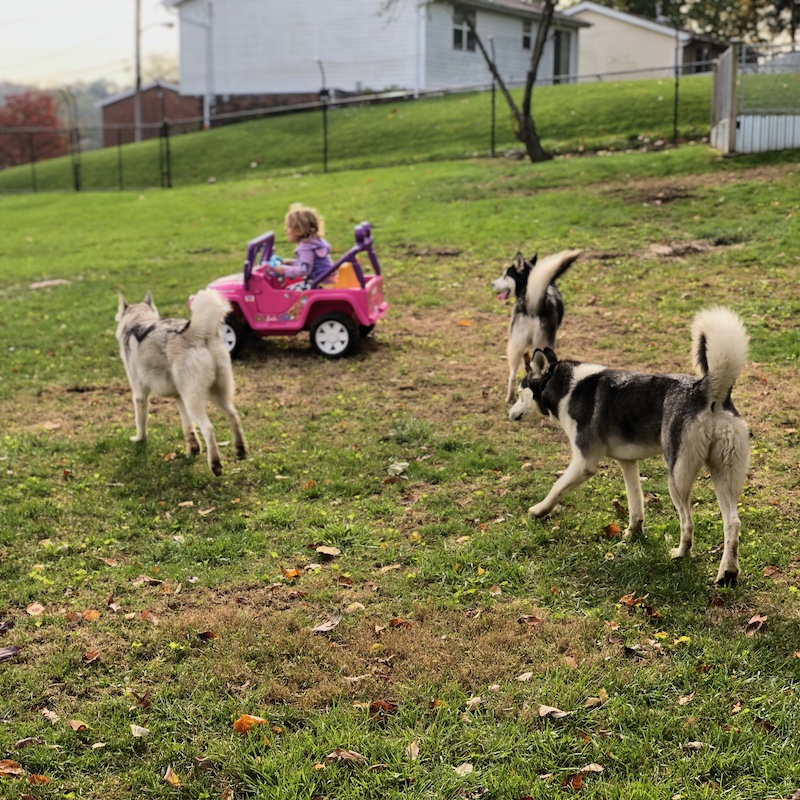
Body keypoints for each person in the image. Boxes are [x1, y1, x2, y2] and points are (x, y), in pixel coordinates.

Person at [271, 203, 335, 290]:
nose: (285, 229)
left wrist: (285, 270)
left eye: (288, 226)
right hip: (328, 281)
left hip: (319, 284)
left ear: (298, 229)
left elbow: (304, 270)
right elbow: (311, 264)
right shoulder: (315, 242)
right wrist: (293, 262)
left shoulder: (306, 248)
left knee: (289, 292)